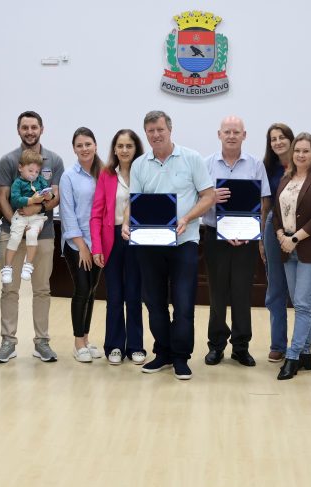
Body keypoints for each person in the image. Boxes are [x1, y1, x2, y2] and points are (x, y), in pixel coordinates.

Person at [124, 110, 214, 380]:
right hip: (149, 244)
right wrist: (127, 224)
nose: (155, 135)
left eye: (160, 129)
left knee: (184, 303)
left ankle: (180, 357)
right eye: (150, 131)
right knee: (154, 303)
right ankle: (162, 352)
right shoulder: (140, 164)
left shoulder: (192, 158)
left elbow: (208, 196)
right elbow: (133, 202)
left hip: (184, 242)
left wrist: (186, 217)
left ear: (170, 129)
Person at [0, 111, 63, 364]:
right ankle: (7, 342)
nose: (30, 131)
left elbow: (56, 196)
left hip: (42, 235)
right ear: (18, 129)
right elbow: (1, 197)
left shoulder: (53, 160)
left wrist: (39, 210)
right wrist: (18, 224)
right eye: (25, 127)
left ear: (41, 129)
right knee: (9, 289)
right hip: (11, 233)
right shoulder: (8, 160)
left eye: (34, 127)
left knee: (42, 289)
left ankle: (42, 342)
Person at [202, 116, 270, 368]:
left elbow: (263, 203)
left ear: (244, 135)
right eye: (227, 131)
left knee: (242, 293)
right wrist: (210, 197)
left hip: (246, 240)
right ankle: (216, 345)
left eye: (236, 132)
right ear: (219, 134)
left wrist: (253, 232)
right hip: (214, 237)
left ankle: (241, 347)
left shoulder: (255, 165)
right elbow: (197, 199)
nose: (231, 135)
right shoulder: (206, 164)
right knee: (217, 294)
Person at [272, 133, 311, 380]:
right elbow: (277, 212)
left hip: (309, 249)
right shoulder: (286, 178)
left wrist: (294, 238)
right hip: (287, 249)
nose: (300, 155)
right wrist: (279, 235)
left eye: (306, 151)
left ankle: (293, 355)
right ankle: (306, 352)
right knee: (298, 303)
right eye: (297, 150)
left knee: (303, 303)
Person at [90, 129, 146, 365]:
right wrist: (96, 247)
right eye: (120, 146)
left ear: (136, 149)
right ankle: (113, 345)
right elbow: (96, 213)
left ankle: (135, 346)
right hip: (111, 238)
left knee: (134, 294)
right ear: (114, 149)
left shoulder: (145, 170)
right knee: (114, 296)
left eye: (129, 146)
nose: (124, 150)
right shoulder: (106, 174)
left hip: (137, 238)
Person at [61, 127, 104, 363]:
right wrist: (83, 247)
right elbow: (67, 214)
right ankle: (78, 343)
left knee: (92, 291)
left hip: (98, 243)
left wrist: (97, 246)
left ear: (95, 145)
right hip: (77, 245)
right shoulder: (69, 176)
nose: (84, 149)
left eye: (88, 144)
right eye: (79, 145)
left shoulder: (105, 173)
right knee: (81, 290)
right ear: (74, 149)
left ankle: (86, 339)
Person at [261, 123, 294, 363]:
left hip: (302, 232)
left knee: (301, 293)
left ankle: (301, 346)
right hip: (273, 231)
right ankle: (278, 344)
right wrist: (262, 239)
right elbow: (264, 206)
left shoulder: (307, 166)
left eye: (282, 137)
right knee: (275, 290)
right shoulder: (267, 169)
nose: (278, 142)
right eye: (273, 139)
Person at [0, 150, 51, 284]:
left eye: (37, 171)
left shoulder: (40, 180)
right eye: (30, 170)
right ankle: (7, 267)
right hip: (21, 215)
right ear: (20, 168)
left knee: (32, 235)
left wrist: (48, 196)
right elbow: (15, 200)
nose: (34, 174)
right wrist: (31, 201)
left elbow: (49, 194)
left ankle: (28, 265)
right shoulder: (17, 183)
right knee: (15, 237)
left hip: (37, 217)